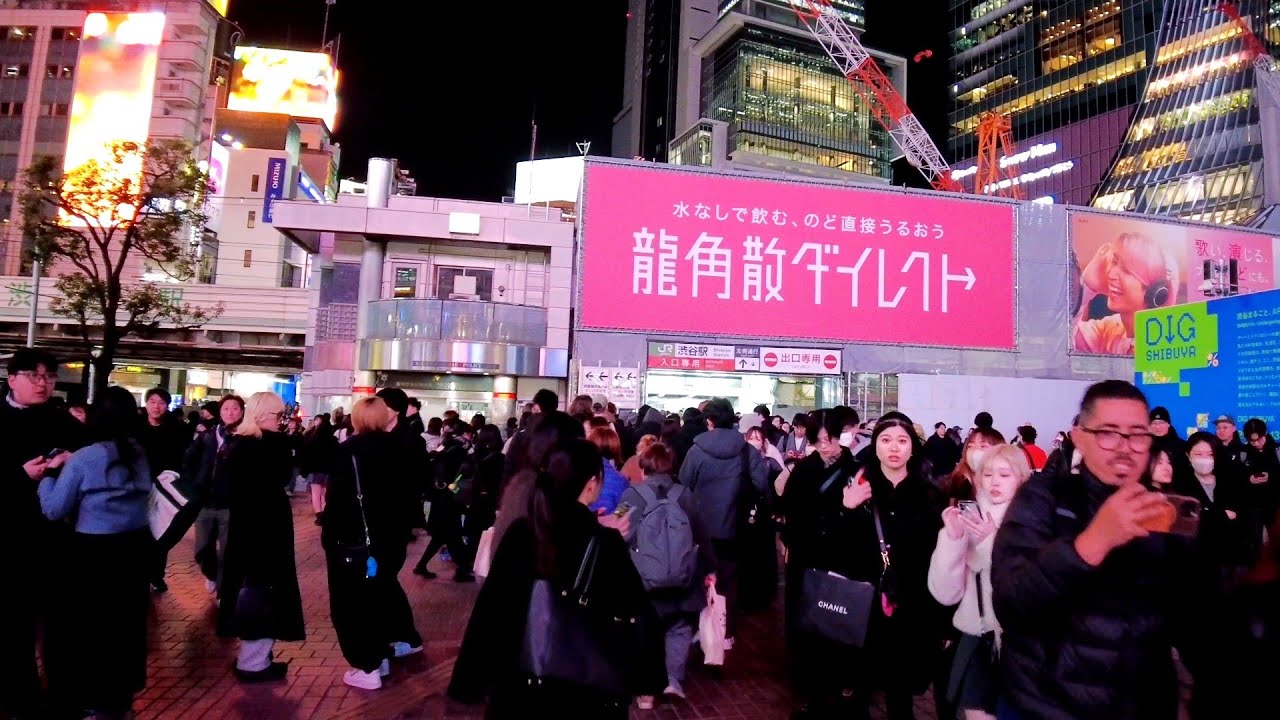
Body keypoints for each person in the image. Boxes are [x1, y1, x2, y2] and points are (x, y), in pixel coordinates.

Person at [992, 380, 1217, 719]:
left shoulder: (1164, 511)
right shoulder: (1044, 497)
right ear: (1079, 436)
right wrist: (1092, 542)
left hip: (1142, 705)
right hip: (1045, 705)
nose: (1125, 448)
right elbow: (1011, 601)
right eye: (1108, 433)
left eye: (1138, 435)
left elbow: (1195, 622)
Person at [448, 439, 663, 717]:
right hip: (586, 691)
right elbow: (636, 613)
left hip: (520, 690)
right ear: (591, 483)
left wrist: (468, 685)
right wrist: (648, 679)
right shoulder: (604, 543)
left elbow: (491, 613)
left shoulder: (522, 532)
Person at [38, 387, 152, 720]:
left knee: (91, 628)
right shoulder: (137, 451)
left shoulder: (86, 457)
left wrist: (47, 476)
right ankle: (120, 699)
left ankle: (93, 700)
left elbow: (55, 509)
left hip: (93, 553)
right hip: (133, 549)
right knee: (126, 626)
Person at [0, 349, 86, 719]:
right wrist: (21, 476)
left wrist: (69, 464)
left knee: (61, 625)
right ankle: (20, 697)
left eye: (49, 376)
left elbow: (90, 461)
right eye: (34, 375)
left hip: (56, 541)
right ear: (11, 377)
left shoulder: (62, 421)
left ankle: (64, 696)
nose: (42, 383)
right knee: (14, 625)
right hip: (9, 541)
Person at [323, 397, 423, 690]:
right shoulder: (402, 448)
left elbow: (337, 502)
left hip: (354, 542)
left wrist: (329, 538)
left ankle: (368, 667)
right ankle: (380, 657)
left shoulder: (348, 452)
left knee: (351, 605)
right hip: (390, 540)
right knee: (379, 596)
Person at [217, 392, 305, 683]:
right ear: (264, 415)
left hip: (245, 527)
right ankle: (253, 662)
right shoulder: (272, 445)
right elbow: (282, 478)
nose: (283, 420)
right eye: (279, 415)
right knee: (266, 591)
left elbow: (226, 489)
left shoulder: (238, 445)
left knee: (251, 587)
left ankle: (253, 658)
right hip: (268, 529)